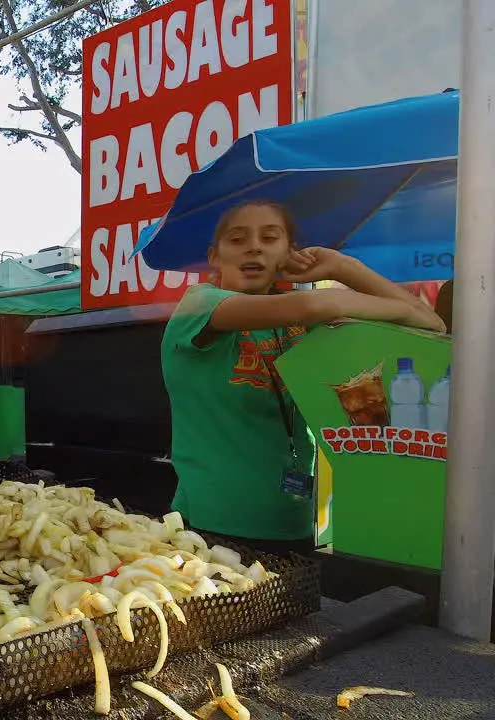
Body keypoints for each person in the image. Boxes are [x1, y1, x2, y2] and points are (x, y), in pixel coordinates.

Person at [161, 199, 445, 555]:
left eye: (270, 238)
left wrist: (343, 266)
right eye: (237, 239)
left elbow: (431, 324)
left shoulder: (297, 326)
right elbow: (315, 305)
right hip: (209, 529)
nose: (254, 247)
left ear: (288, 253)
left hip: (293, 525)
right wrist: (400, 307)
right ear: (214, 256)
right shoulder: (198, 304)